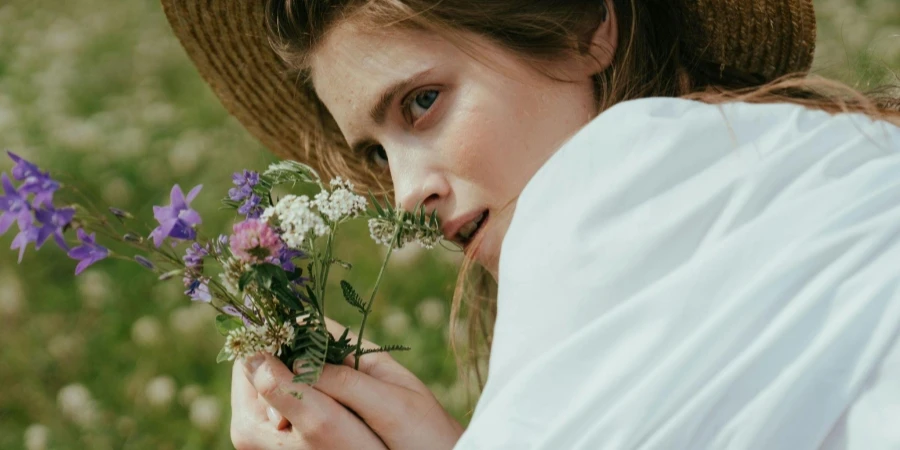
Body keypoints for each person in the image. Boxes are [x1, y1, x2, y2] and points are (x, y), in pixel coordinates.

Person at [161, 0, 900, 448]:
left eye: (423, 102)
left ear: (587, 27)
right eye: (377, 155)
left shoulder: (603, 179)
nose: (405, 195)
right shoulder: (820, 157)